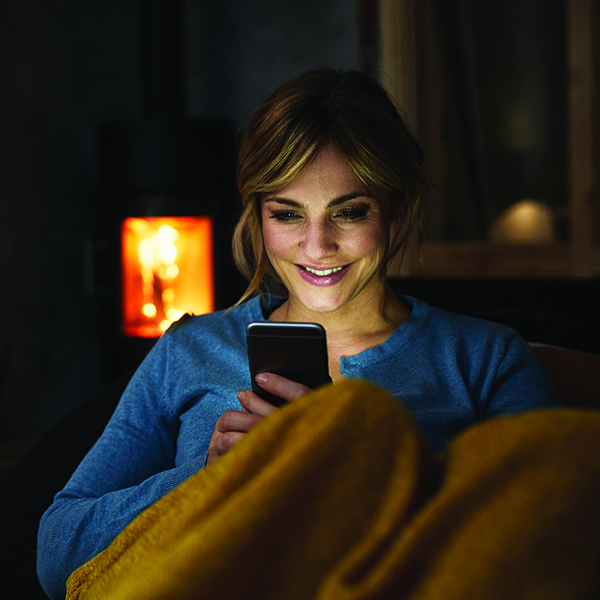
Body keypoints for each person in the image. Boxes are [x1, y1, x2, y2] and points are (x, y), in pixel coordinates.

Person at [36, 68, 561, 600]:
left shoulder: (485, 358)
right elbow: (57, 554)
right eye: (288, 214)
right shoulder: (189, 350)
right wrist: (208, 479)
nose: (317, 247)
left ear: (396, 210)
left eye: (349, 212)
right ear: (258, 216)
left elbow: (547, 543)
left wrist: (356, 459)